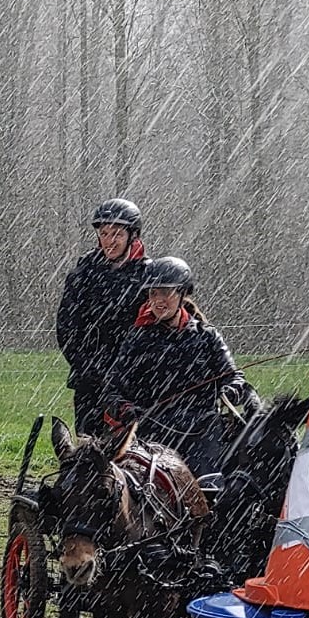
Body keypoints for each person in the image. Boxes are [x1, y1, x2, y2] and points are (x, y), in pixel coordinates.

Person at [105, 255, 259, 479]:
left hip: (202, 433)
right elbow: (111, 390)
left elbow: (234, 378)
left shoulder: (207, 337)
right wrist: (127, 410)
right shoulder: (136, 340)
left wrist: (230, 391)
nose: (158, 300)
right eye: (153, 293)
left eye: (166, 292)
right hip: (153, 434)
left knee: (210, 485)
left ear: (182, 294)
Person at [55, 198, 148, 435]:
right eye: (104, 234)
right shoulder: (82, 274)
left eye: (117, 234)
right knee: (90, 453)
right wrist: (89, 367)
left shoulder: (150, 276)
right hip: (90, 382)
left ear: (132, 236)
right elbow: (67, 328)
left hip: (135, 382)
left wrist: (128, 368)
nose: (110, 241)